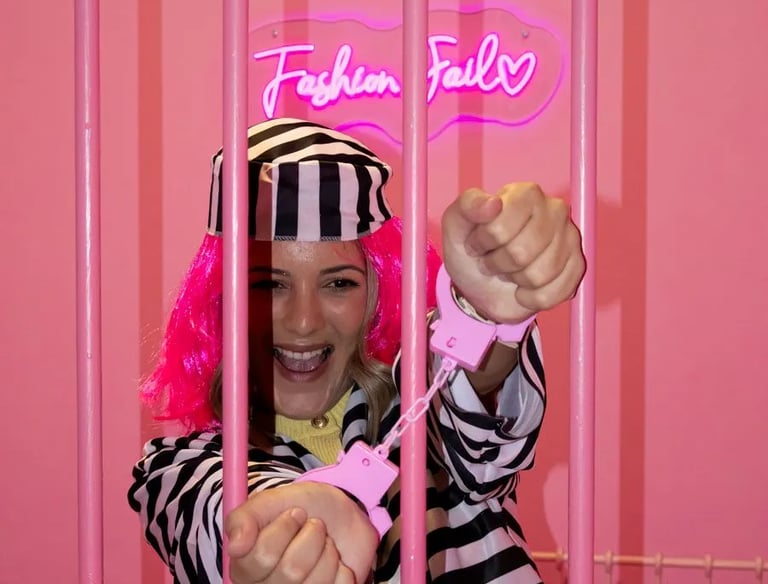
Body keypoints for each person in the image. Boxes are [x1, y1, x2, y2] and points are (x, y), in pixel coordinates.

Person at [128, 117, 586, 584]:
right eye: (269, 285)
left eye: (339, 283)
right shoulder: (177, 469)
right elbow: (212, 515)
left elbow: (467, 393)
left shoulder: (417, 407)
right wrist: (281, 533)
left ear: (378, 293)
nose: (303, 321)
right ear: (219, 300)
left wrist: (486, 310)